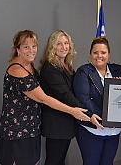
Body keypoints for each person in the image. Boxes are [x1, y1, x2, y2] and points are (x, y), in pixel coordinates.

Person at [0, 30, 90, 165]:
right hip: (16, 130)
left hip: (31, 127)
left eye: (34, 46)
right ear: (18, 49)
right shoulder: (17, 69)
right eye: (26, 47)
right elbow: (43, 98)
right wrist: (73, 111)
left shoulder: (29, 65)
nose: (31, 50)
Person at [40, 30, 92, 165]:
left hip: (65, 122)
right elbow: (65, 95)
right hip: (56, 124)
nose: (64, 47)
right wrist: (88, 112)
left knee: (60, 160)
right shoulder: (50, 67)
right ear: (52, 47)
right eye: (59, 44)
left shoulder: (66, 65)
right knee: (54, 160)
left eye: (66, 43)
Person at [73, 37, 121, 165]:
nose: (99, 56)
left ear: (109, 54)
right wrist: (106, 118)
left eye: (103, 52)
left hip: (114, 131)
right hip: (91, 129)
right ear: (90, 54)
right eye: (95, 52)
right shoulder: (83, 72)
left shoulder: (118, 70)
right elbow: (83, 99)